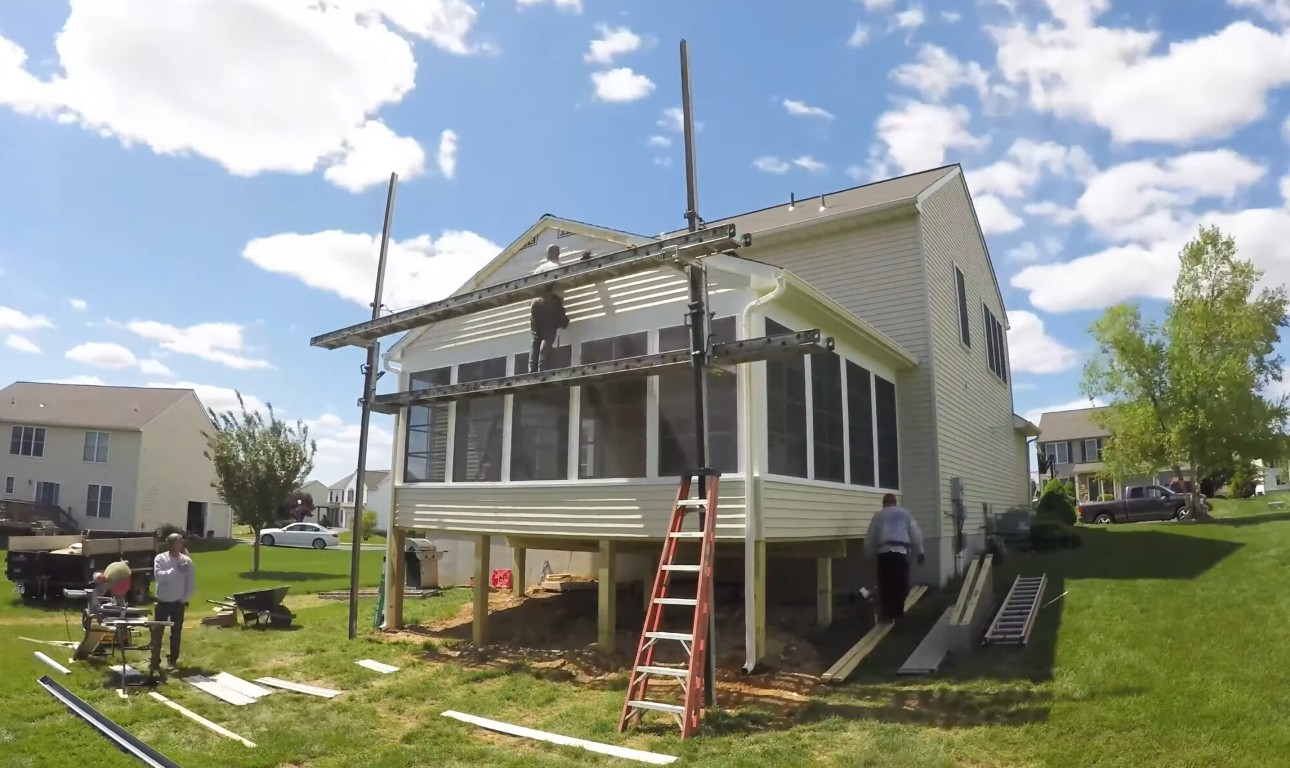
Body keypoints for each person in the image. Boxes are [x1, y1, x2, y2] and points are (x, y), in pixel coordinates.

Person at [862, 493, 925, 624]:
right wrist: (920, 552)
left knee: (886, 585)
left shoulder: (879, 516)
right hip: (900, 554)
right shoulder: (905, 514)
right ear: (895, 503)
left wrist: (868, 555)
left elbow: (870, 537)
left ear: (884, 503)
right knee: (900, 584)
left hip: (884, 554)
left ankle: (887, 615)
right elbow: (916, 534)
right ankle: (898, 614)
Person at [151, 533, 195, 671]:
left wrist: (184, 599)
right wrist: (175, 570)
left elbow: (190, 583)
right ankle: (154, 660)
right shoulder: (160, 558)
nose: (178, 545)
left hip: (178, 603)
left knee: (176, 633)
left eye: (180, 543)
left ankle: (172, 661)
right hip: (162, 602)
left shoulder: (186, 561)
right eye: (175, 543)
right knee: (157, 633)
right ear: (170, 544)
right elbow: (159, 577)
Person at [529, 244, 569, 373]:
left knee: (536, 338)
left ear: (547, 254)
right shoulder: (557, 267)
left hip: (534, 303)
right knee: (548, 336)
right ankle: (542, 368)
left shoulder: (538, 269)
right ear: (558, 254)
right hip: (550, 301)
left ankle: (531, 369)